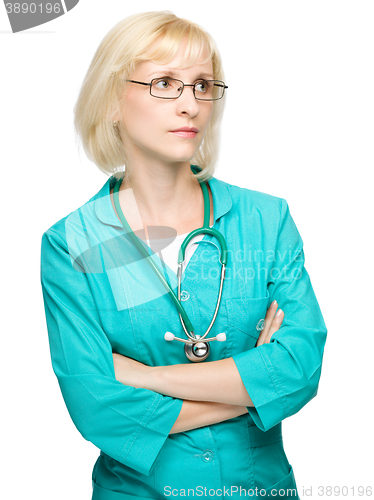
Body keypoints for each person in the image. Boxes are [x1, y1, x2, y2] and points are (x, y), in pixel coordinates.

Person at [40, 11, 327, 500]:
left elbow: (300, 369)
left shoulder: (266, 220)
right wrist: (252, 382)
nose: (189, 105)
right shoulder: (76, 242)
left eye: (203, 85)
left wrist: (146, 377)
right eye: (165, 83)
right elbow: (98, 407)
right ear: (112, 100)